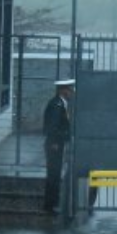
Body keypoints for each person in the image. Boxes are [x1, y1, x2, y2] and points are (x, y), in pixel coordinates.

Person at [43, 78, 75, 214]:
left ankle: (51, 203)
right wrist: (56, 142)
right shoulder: (57, 105)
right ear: (62, 90)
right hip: (54, 144)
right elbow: (52, 127)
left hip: (56, 143)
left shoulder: (60, 103)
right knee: (53, 174)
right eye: (69, 89)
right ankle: (50, 205)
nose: (71, 92)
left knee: (54, 173)